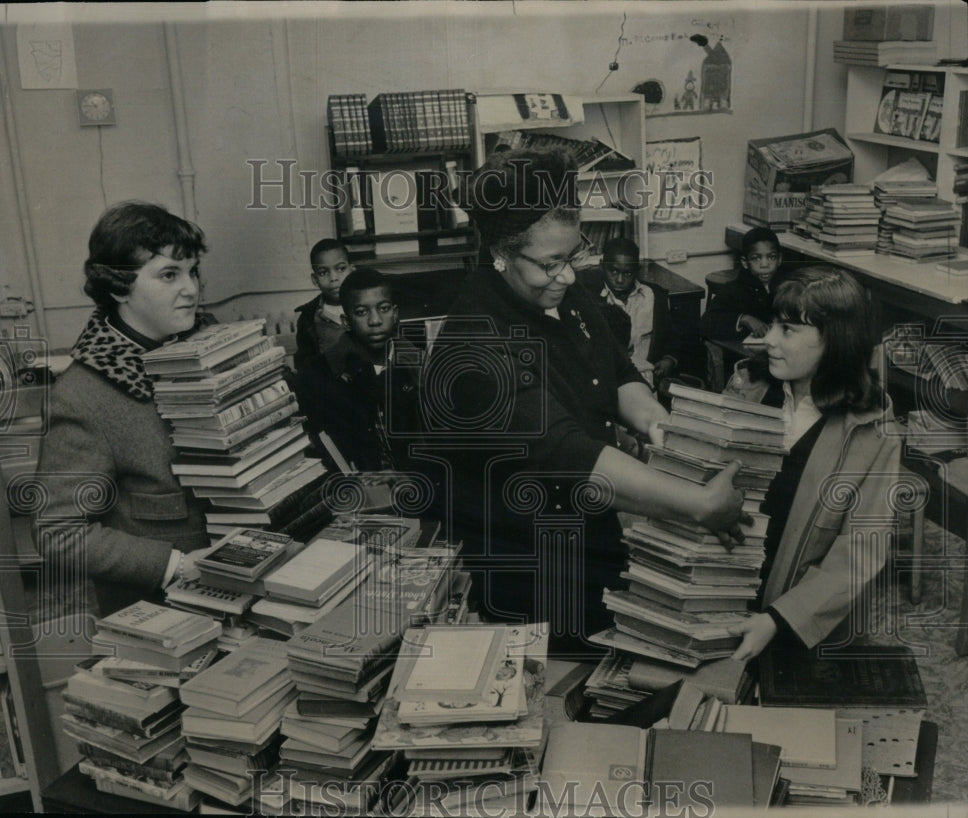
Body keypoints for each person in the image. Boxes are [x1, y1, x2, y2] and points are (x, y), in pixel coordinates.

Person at [426, 148, 747, 655]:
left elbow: (616, 371)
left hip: (590, 529)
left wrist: (660, 430)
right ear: (500, 255)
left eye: (575, 255)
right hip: (529, 567)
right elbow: (567, 456)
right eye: (552, 263)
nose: (571, 276)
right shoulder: (476, 351)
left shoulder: (560, 291)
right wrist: (701, 505)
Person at [35, 202, 213, 617]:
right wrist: (176, 566)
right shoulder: (82, 395)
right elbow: (58, 534)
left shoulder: (209, 345)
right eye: (169, 275)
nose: (190, 289)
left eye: (192, 271)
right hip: (165, 612)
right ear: (117, 288)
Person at [729, 266, 901, 660]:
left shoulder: (874, 430)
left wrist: (777, 619)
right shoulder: (747, 388)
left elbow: (860, 551)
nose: (768, 339)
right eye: (773, 324)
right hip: (719, 595)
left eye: (788, 330)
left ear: (835, 342)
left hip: (799, 625)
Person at [296, 267, 419, 473]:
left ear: (396, 313)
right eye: (361, 312)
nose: (375, 321)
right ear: (346, 322)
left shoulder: (420, 366)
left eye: (384, 308)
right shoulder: (319, 375)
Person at [584, 236, 680, 388]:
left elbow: (671, 336)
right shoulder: (590, 299)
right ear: (602, 266)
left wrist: (669, 359)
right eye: (614, 271)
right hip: (608, 382)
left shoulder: (654, 297)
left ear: (637, 270)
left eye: (628, 273)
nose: (620, 280)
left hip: (648, 380)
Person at [701, 226, 781, 341]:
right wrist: (744, 319)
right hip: (743, 353)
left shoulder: (786, 286)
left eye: (771, 257)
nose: (764, 264)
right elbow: (706, 322)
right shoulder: (733, 290)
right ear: (745, 262)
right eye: (756, 258)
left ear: (779, 259)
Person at [293, 238, 355, 372]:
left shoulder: (367, 306)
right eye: (323, 272)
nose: (333, 278)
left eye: (341, 269)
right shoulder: (308, 318)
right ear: (315, 280)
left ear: (352, 270)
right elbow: (304, 364)